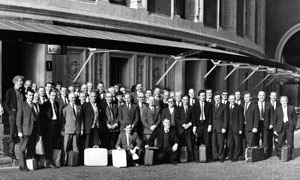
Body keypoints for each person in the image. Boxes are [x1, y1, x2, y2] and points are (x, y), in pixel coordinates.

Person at [16, 89, 40, 171]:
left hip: (33, 130)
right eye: (30, 95)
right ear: (26, 95)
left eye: (32, 95)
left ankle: (29, 165)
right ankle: (22, 166)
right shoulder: (22, 105)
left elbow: (36, 118)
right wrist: (19, 131)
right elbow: (18, 119)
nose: (31, 97)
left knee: (31, 148)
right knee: (22, 148)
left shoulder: (34, 105)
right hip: (25, 130)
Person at [3, 75, 25, 159]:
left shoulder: (22, 91)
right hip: (13, 116)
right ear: (16, 82)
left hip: (21, 116)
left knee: (21, 133)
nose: (22, 82)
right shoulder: (10, 91)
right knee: (12, 134)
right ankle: (11, 152)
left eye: (22, 81)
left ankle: (20, 153)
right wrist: (10, 112)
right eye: (20, 81)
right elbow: (5, 103)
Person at [61, 93, 83, 165]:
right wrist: (62, 129)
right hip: (68, 129)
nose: (74, 99)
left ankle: (75, 161)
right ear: (69, 98)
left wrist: (82, 129)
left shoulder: (79, 107)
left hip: (76, 130)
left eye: (74, 98)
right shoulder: (65, 108)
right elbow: (62, 120)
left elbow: (81, 120)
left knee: (75, 146)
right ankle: (64, 161)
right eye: (72, 98)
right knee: (65, 147)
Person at [273, 96, 297, 160]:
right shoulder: (277, 109)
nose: (284, 102)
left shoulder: (291, 108)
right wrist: (274, 129)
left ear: (287, 101)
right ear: (280, 102)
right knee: (280, 141)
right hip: (280, 126)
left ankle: (290, 155)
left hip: (289, 126)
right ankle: (281, 155)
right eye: (282, 101)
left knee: (290, 141)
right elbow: (274, 120)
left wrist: (293, 126)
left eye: (285, 101)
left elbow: (295, 118)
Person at [192, 90, 213, 160]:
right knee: (198, 141)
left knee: (207, 142)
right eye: (201, 96)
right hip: (198, 125)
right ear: (198, 96)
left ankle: (207, 158)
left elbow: (210, 115)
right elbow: (193, 117)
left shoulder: (209, 104)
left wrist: (210, 125)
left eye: (204, 95)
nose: (203, 97)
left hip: (206, 124)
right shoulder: (195, 105)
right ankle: (198, 158)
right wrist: (194, 126)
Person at [42, 90, 61, 168]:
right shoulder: (45, 104)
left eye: (55, 96)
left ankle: (55, 160)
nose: (53, 97)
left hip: (56, 125)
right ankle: (49, 161)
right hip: (48, 126)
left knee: (54, 143)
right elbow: (43, 117)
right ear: (49, 96)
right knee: (48, 144)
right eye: (52, 95)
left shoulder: (57, 103)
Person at [175, 95, 194, 161]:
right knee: (179, 144)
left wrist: (189, 124)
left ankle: (191, 158)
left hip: (189, 129)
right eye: (184, 100)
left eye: (187, 100)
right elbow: (177, 119)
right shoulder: (178, 108)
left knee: (190, 145)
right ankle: (179, 159)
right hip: (181, 129)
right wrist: (183, 125)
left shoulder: (191, 108)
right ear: (182, 100)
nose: (186, 101)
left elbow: (193, 118)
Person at [211, 92, 228, 162]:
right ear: (214, 99)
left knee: (221, 143)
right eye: (216, 98)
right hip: (213, 127)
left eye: (219, 98)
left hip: (220, 127)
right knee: (214, 143)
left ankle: (221, 156)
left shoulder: (224, 106)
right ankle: (215, 156)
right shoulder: (211, 106)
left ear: (220, 98)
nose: (217, 99)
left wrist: (224, 127)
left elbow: (226, 118)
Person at [256, 91, 274, 158]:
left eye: (263, 95)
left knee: (265, 139)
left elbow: (272, 114)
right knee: (256, 139)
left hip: (265, 124)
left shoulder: (268, 104)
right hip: (257, 124)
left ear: (265, 96)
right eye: (260, 95)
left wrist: (271, 123)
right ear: (258, 96)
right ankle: (257, 153)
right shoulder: (255, 104)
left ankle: (264, 154)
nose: (261, 97)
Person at [226, 95, 243, 162]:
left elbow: (241, 119)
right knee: (229, 143)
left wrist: (240, 129)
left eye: (233, 99)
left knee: (237, 143)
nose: (232, 100)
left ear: (235, 99)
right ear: (228, 100)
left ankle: (235, 156)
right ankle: (230, 155)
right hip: (229, 128)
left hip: (236, 128)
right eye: (231, 99)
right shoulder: (226, 107)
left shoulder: (239, 107)